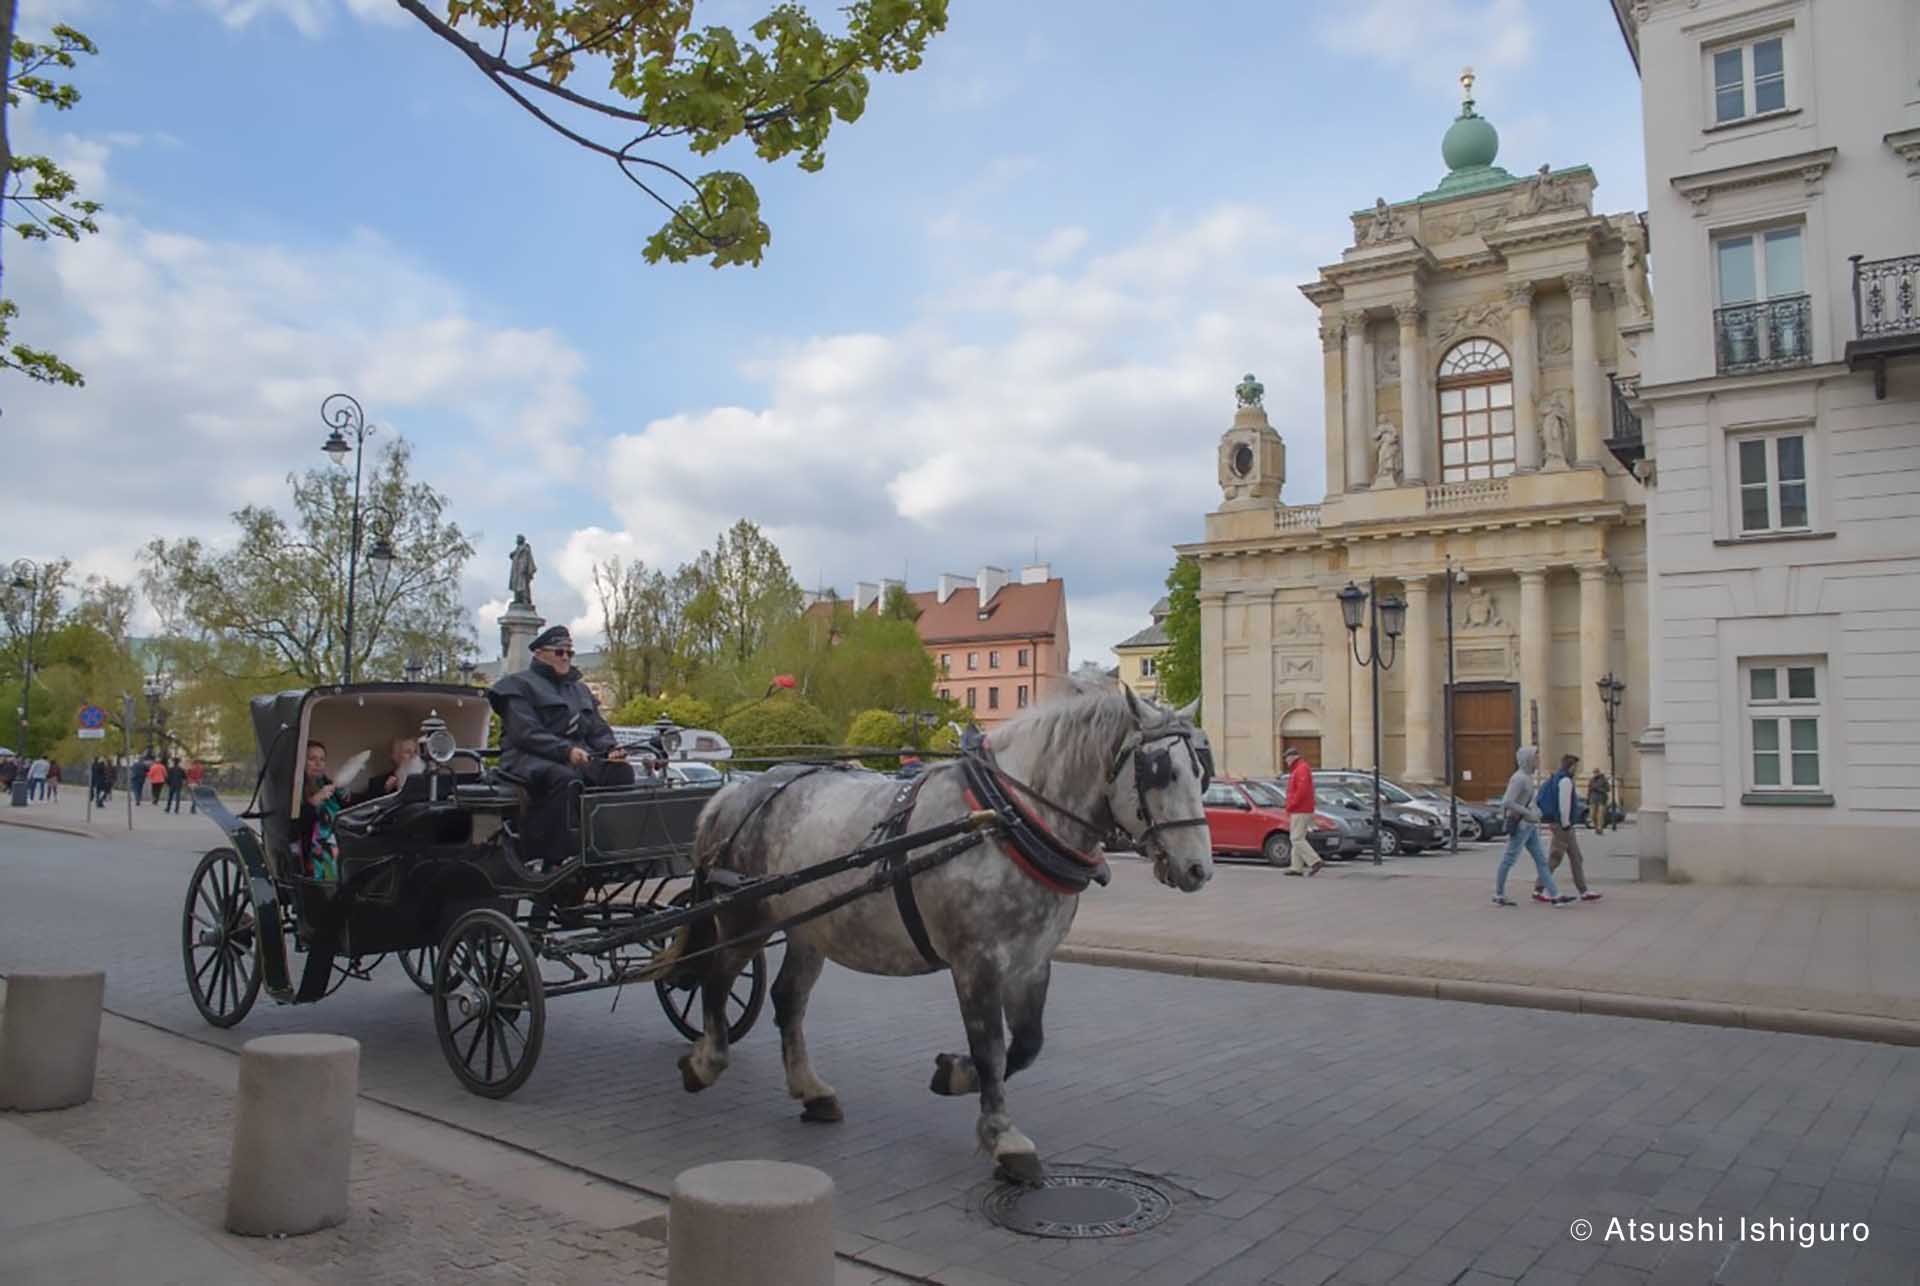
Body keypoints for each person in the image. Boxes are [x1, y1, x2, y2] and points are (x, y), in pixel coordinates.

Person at [490, 625, 630, 862]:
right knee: (565, 778)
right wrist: (565, 751)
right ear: (539, 653)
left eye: (569, 653)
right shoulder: (517, 685)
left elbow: (597, 729)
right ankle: (555, 853)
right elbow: (526, 733)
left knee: (621, 773)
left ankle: (608, 843)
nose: (565, 657)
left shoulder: (580, 690)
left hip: (575, 758)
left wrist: (611, 749)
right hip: (528, 758)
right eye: (559, 652)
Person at [1493, 746, 1572, 907]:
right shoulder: (1519, 778)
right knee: (1509, 859)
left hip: (1529, 826)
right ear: (1527, 759)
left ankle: (1555, 895)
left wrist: (1536, 812)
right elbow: (1507, 801)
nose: (1538, 761)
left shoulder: (1528, 777)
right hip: (1521, 825)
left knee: (1541, 861)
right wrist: (1528, 813)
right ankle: (1499, 894)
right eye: (1536, 758)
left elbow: (1529, 801)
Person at [1534, 753, 1601, 903]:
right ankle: (1538, 888)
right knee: (1555, 858)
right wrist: (1565, 824)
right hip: (1563, 825)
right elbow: (1564, 805)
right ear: (1571, 767)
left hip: (1562, 824)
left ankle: (1583, 890)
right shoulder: (1565, 781)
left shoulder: (1557, 777)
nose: (1576, 769)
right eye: (1575, 766)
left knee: (1576, 857)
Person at [298, 740, 351, 881]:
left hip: (338, 837)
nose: (318, 764)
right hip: (311, 843)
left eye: (322, 759)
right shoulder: (295, 789)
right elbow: (295, 824)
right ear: (301, 762)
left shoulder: (327, 783)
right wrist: (315, 800)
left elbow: (343, 812)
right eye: (312, 759)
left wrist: (343, 795)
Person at [1280, 746, 1325, 877]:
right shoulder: (1300, 768)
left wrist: (1291, 805)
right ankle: (1296, 867)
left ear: (1293, 757)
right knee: (1297, 837)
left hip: (1300, 809)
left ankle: (1315, 861)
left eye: (1287, 758)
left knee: (1296, 838)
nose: (1286, 761)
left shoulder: (1301, 769)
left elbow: (1302, 791)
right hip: (1302, 808)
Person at [1587, 768, 1611, 834]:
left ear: (1599, 773)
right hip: (1593, 799)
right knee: (1592, 815)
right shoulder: (1591, 780)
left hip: (1602, 799)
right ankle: (1596, 827)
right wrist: (1588, 798)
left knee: (1600, 815)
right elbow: (1589, 790)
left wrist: (1598, 789)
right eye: (1594, 773)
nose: (1595, 774)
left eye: (1596, 772)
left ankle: (1600, 828)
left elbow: (1608, 789)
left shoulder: (1604, 780)